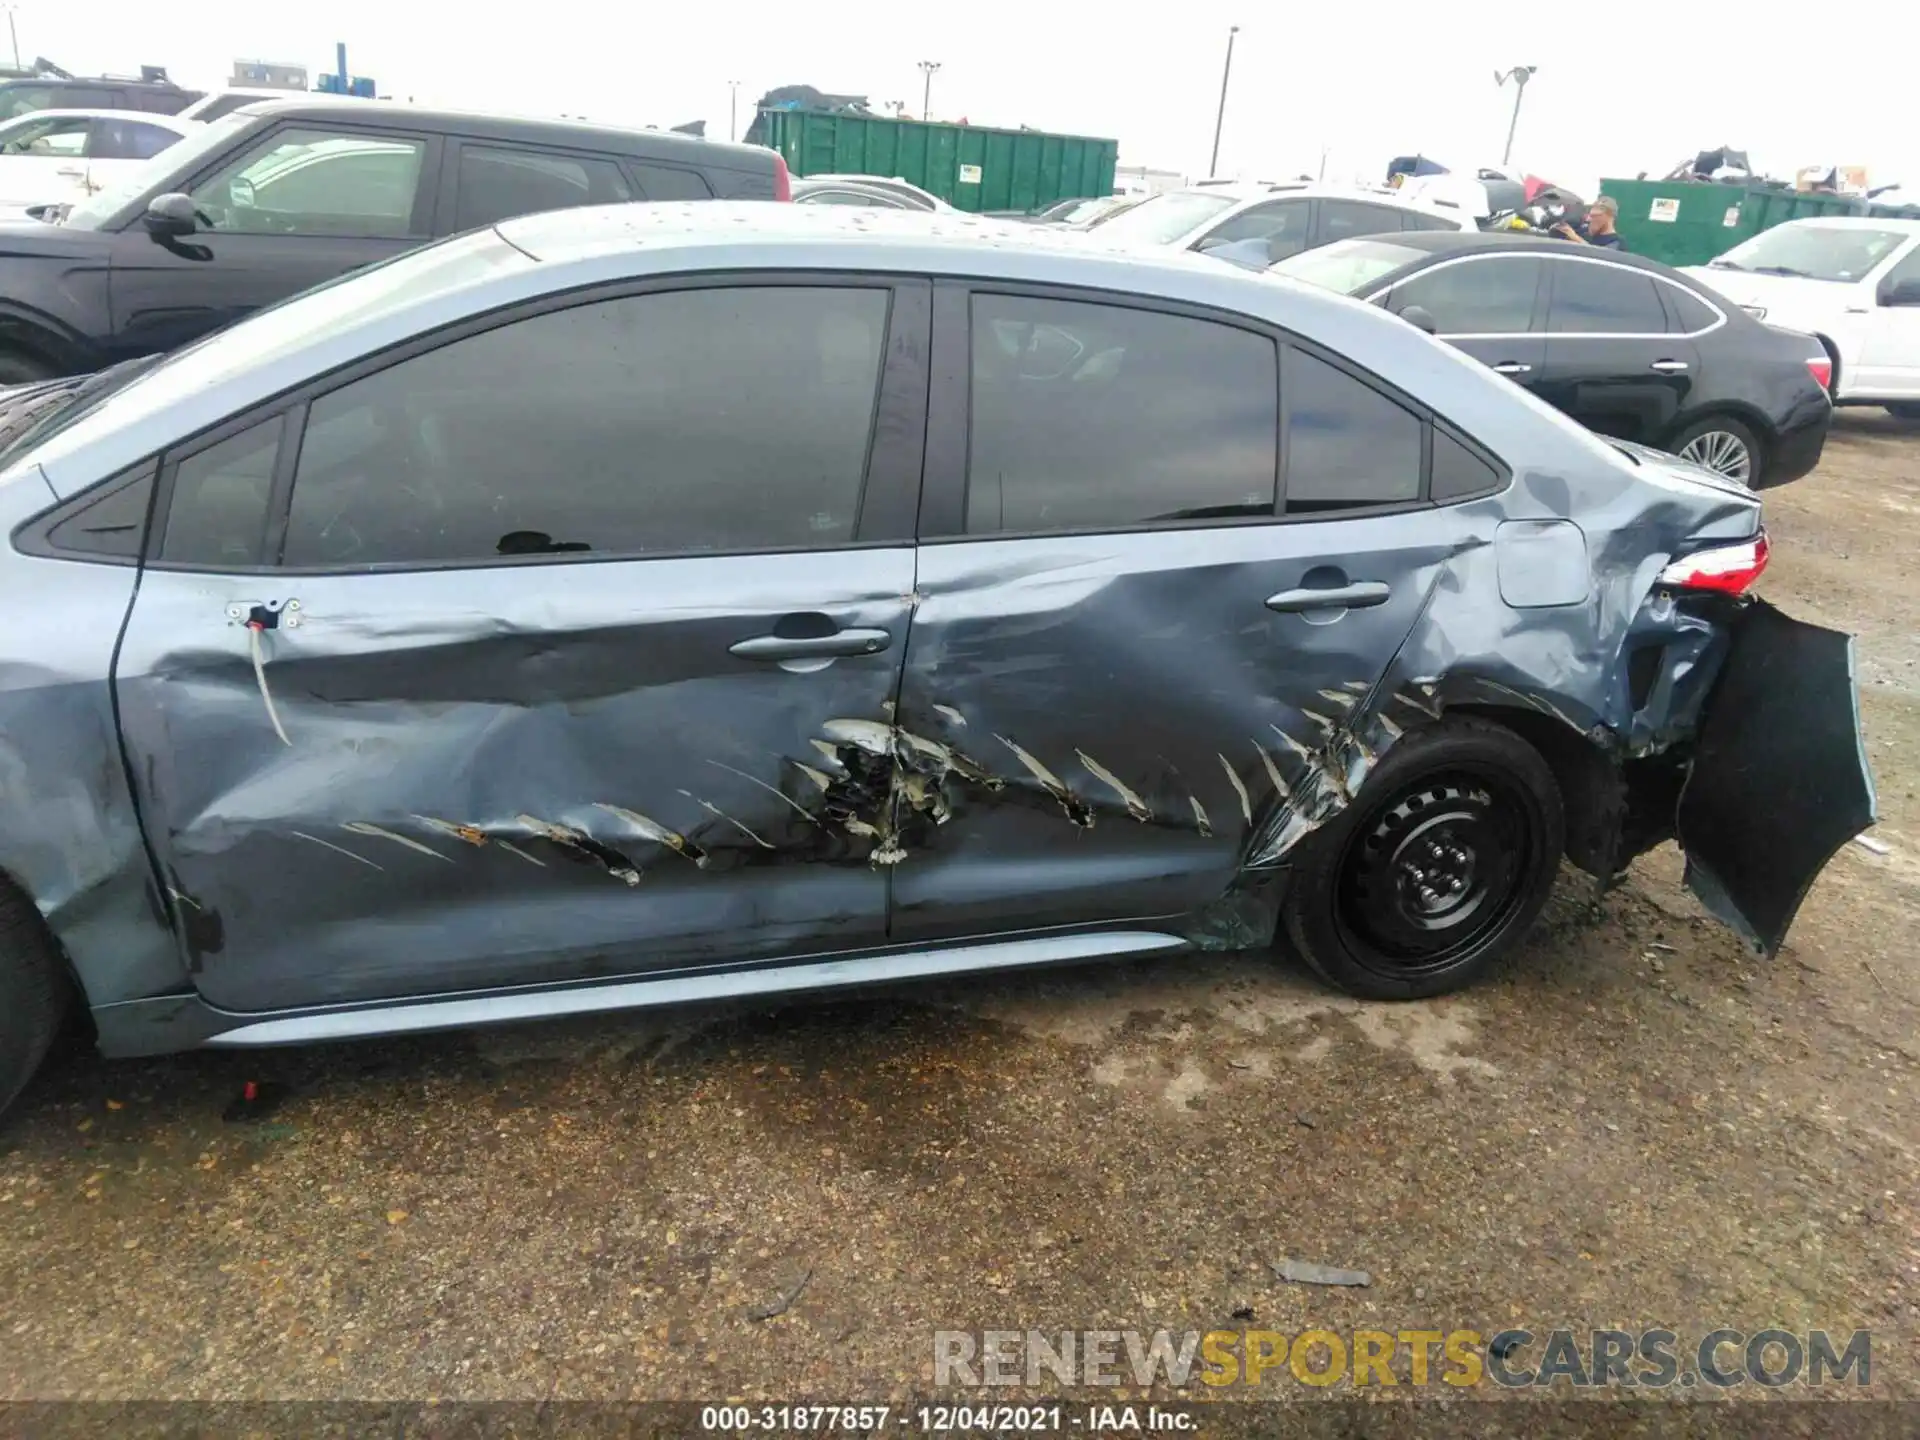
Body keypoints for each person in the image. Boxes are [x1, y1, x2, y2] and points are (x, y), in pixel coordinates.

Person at [1554, 195, 1624, 249]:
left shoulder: (1616, 242)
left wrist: (1577, 239)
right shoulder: (1585, 233)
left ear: (1609, 216)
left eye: (1595, 216)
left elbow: (1601, 259)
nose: (1590, 220)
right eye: (1590, 216)